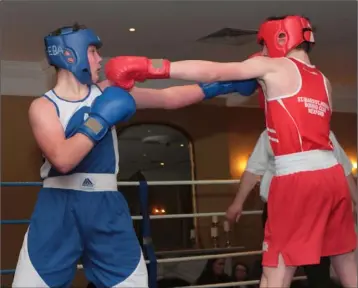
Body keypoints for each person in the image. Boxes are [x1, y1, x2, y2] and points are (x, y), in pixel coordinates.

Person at [104, 15, 358, 288]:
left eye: (263, 44)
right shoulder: (323, 81)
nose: (261, 52)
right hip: (331, 177)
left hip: (297, 178)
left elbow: (213, 71)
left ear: (280, 37)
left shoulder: (273, 66)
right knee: (346, 259)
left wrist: (153, 67)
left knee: (276, 268)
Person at [12, 23, 257, 288]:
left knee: (132, 284)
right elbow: (63, 159)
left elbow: (168, 98)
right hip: (57, 205)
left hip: (105, 204)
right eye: (93, 51)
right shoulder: (44, 106)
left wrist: (224, 86)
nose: (98, 59)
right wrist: (100, 119)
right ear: (71, 55)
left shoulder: (106, 91)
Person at [226, 128, 357, 288]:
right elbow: (253, 170)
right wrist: (238, 202)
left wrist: (356, 200)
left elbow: (343, 167)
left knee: (308, 269)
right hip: (285, 209)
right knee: (280, 269)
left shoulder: (322, 131)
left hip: (313, 209)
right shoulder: (271, 133)